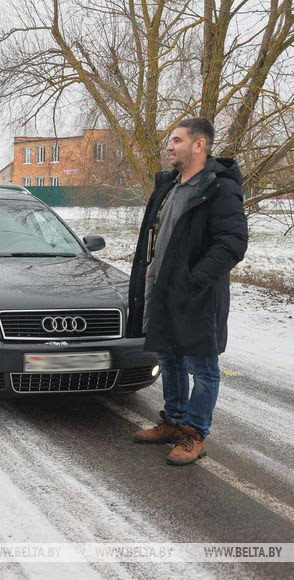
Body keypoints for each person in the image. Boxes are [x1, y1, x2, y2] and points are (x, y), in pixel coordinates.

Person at [127, 118, 248, 466]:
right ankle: (174, 421)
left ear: (200, 145)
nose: (170, 146)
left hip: (198, 294)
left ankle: (195, 433)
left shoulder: (219, 188)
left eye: (177, 140)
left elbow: (233, 243)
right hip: (163, 288)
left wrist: (194, 281)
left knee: (202, 366)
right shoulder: (169, 186)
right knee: (170, 358)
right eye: (170, 140)